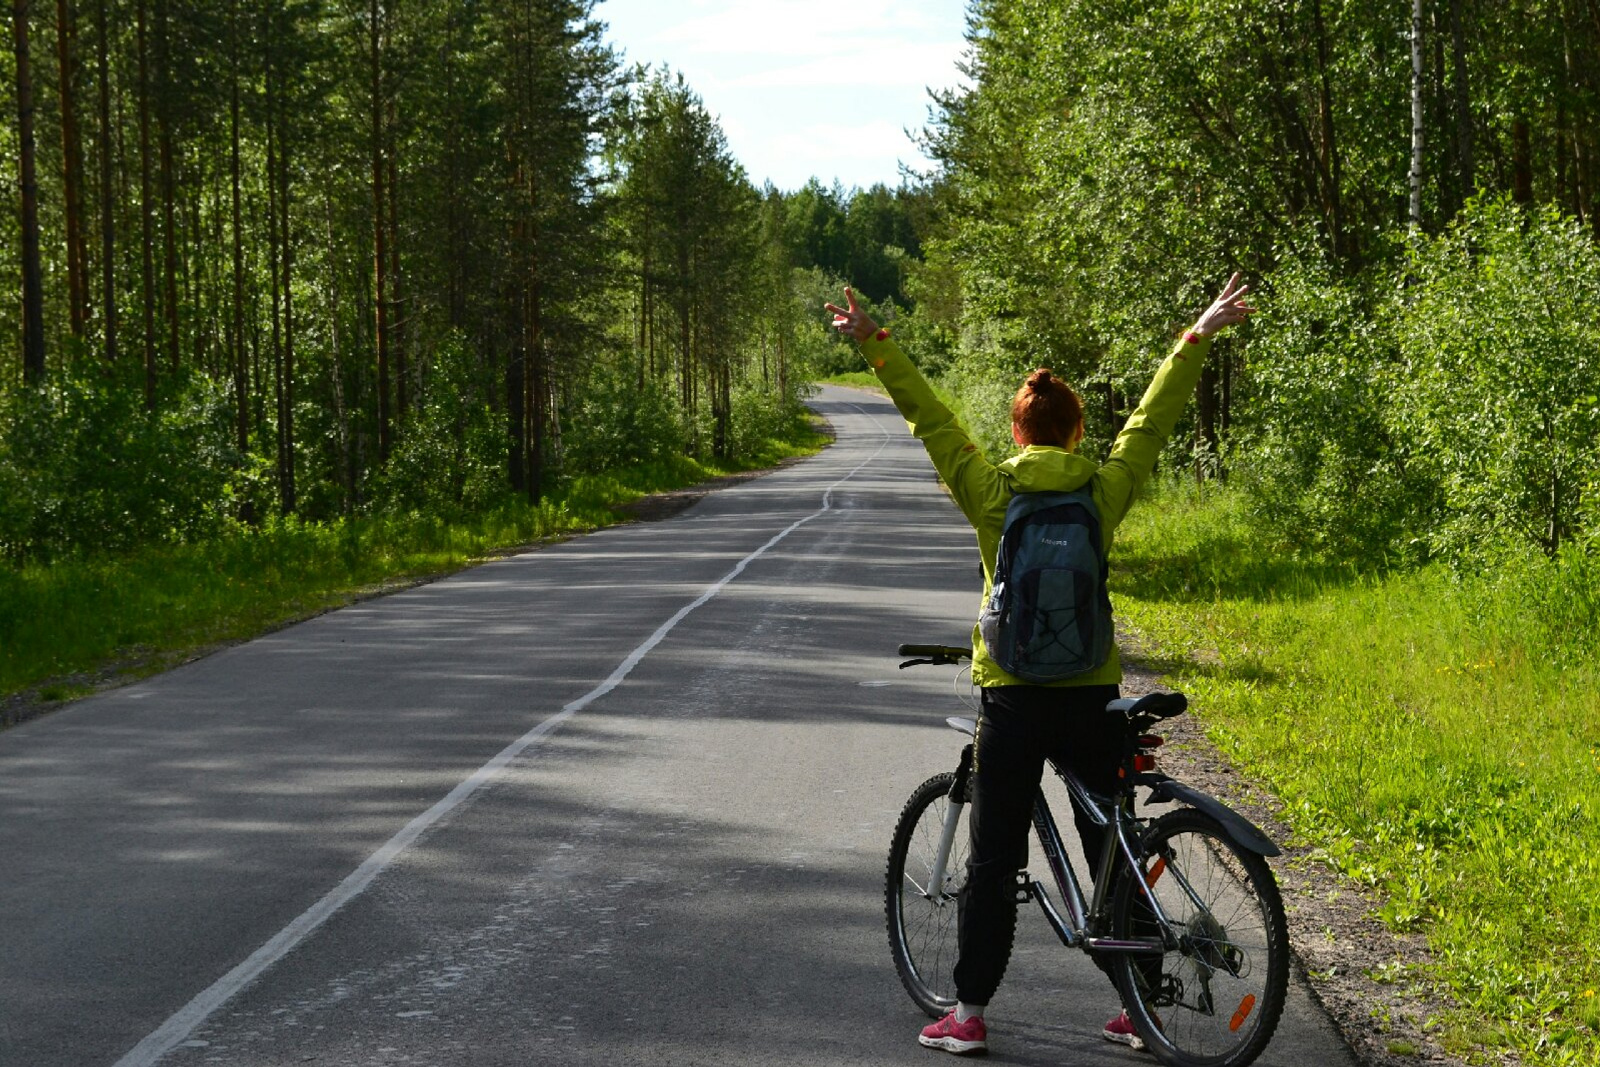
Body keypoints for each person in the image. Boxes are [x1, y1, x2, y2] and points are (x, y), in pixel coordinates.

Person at [827, 275, 1255, 1057]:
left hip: (1014, 698)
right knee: (1108, 844)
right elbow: (1152, 423)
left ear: (1019, 434)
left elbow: (933, 420)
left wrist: (876, 343)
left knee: (992, 862)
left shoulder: (993, 493)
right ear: (1077, 430)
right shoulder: (1103, 491)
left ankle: (968, 1012)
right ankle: (1140, 1004)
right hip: (1092, 693)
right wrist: (1195, 336)